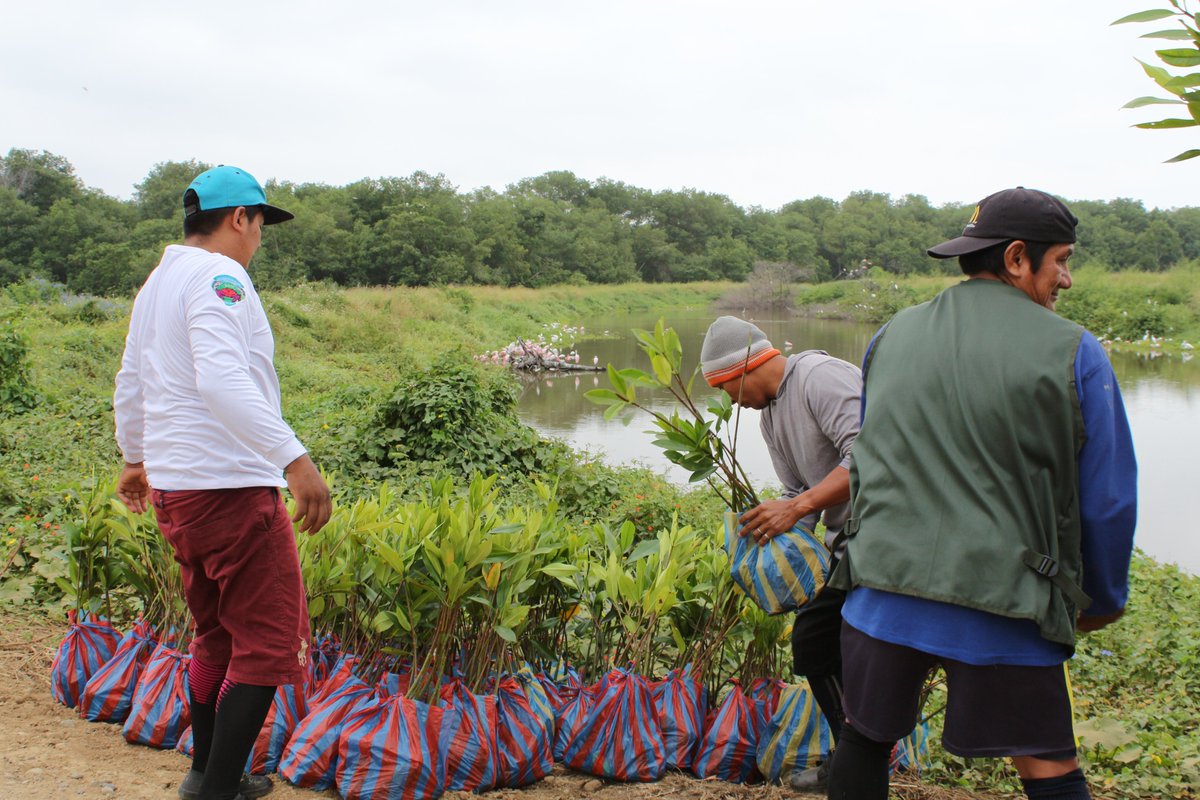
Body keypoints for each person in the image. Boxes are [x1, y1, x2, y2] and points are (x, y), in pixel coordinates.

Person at [826, 188, 1137, 800]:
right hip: (1006, 601)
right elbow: (1109, 501)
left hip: (881, 593)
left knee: (863, 739)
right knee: (1047, 763)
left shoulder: (890, 336)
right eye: (1063, 260)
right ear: (1018, 257)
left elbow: (868, 458)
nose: (1067, 280)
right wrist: (1100, 600)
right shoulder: (1075, 351)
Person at [114, 166, 332, 800]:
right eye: (261, 223)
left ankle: (205, 775)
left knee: (216, 636)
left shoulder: (159, 281)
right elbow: (220, 378)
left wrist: (135, 456)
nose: (260, 238)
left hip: (179, 491)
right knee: (266, 643)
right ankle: (216, 791)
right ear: (239, 217)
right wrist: (294, 459)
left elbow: (132, 375)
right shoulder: (219, 275)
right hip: (231, 488)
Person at [699, 315, 861, 792]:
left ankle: (855, 761)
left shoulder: (818, 377)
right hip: (846, 546)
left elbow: (872, 454)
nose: (732, 402)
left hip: (890, 535)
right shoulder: (771, 416)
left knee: (821, 642)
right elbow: (797, 495)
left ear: (745, 369)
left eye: (729, 391)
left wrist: (798, 506)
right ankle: (853, 758)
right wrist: (771, 551)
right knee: (817, 646)